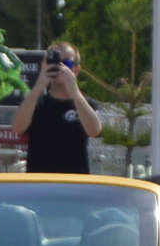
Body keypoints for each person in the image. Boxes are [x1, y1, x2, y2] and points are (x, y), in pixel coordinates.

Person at [12, 43, 101, 174]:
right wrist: (39, 86)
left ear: (76, 70)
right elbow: (17, 128)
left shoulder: (86, 104)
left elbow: (94, 131)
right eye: (54, 62)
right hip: (40, 184)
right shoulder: (35, 103)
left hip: (75, 184)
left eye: (67, 63)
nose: (60, 68)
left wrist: (74, 91)